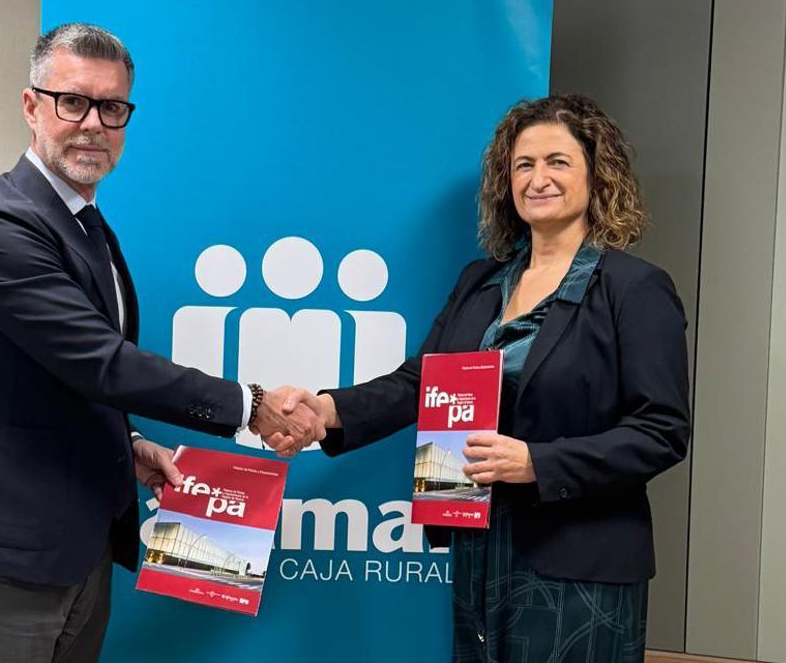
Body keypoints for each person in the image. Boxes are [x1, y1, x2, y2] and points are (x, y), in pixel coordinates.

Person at [0, 23, 322, 663]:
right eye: (73, 101)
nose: (93, 124)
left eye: (112, 107)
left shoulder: (83, 221)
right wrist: (250, 406)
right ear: (32, 106)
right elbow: (101, 365)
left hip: (80, 544)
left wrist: (128, 444)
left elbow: (55, 378)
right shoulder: (1, 228)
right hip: (8, 553)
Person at [271, 94, 690, 662]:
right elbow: (422, 382)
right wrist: (327, 411)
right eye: (524, 165)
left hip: (579, 561)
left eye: (558, 162)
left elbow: (661, 431)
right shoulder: (481, 282)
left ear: (597, 175)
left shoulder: (635, 289)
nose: (538, 179)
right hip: (479, 543)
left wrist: (537, 464)